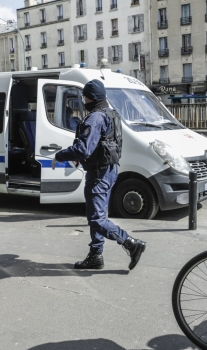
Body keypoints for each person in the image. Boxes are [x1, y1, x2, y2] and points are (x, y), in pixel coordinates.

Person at [52, 79, 146, 270]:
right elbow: (101, 144)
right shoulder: (110, 114)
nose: (84, 100)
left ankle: (130, 243)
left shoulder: (95, 117)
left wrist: (60, 156)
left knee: (96, 218)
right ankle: (95, 255)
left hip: (99, 174)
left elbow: (83, 149)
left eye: (85, 97)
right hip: (109, 170)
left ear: (91, 98)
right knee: (98, 215)